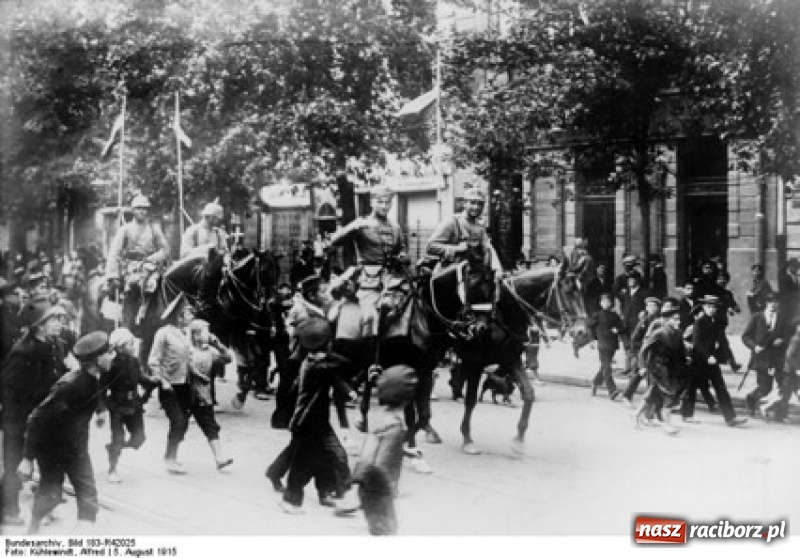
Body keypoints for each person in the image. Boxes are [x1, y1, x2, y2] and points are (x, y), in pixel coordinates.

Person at [17, 331, 109, 535]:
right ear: (96, 359)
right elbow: (36, 418)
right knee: (52, 496)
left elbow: (95, 391)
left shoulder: (94, 376)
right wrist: (27, 458)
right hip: (52, 449)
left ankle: (81, 538)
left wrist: (101, 409)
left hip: (77, 448)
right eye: (108, 353)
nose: (112, 356)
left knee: (88, 497)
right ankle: (33, 528)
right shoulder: (70, 384)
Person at [276, 317, 354, 514]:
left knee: (338, 456)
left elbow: (335, 375)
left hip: (318, 423)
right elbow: (345, 364)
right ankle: (291, 500)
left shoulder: (315, 362)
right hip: (306, 424)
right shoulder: (314, 366)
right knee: (304, 465)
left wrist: (349, 390)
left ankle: (343, 496)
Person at [0, 301, 67, 526]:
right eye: (54, 319)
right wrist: (15, 427)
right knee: (14, 468)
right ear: (39, 325)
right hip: (19, 422)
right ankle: (8, 510)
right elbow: (8, 393)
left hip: (43, 419)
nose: (60, 323)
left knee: (51, 465)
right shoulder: (22, 352)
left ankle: (43, 507)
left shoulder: (52, 346)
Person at [329, 186, 408, 338]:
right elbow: (334, 241)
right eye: (380, 202)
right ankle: (369, 349)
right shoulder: (362, 224)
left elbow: (402, 250)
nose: (384, 206)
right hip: (368, 279)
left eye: (388, 202)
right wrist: (353, 226)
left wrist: (403, 256)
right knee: (370, 316)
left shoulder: (396, 227)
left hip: (393, 278)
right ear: (372, 202)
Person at [680, 295, 747, 427]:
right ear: (704, 307)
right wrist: (707, 356)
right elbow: (698, 343)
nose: (711, 309)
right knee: (691, 387)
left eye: (714, 307)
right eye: (709, 306)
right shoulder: (699, 322)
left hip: (712, 361)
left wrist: (729, 359)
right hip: (698, 361)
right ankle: (687, 415)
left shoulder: (717, 323)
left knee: (721, 388)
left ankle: (730, 418)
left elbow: (723, 342)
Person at [99, 328, 155, 484]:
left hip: (134, 405)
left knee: (139, 438)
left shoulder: (134, 361)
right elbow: (101, 389)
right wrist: (103, 409)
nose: (133, 346)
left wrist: (152, 382)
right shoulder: (111, 365)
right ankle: (112, 469)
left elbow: (141, 378)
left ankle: (113, 449)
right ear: (120, 346)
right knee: (118, 438)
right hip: (117, 407)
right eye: (130, 344)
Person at [147, 293, 195, 474]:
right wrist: (163, 380)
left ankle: (172, 454)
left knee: (183, 422)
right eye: (188, 314)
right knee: (178, 421)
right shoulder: (164, 333)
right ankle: (169, 458)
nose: (191, 318)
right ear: (179, 316)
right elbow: (153, 360)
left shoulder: (187, 333)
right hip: (169, 386)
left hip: (185, 385)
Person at [105, 194, 169, 324]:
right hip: (130, 267)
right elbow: (114, 252)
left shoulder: (154, 229)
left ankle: (154, 315)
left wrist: (151, 259)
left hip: (150, 265)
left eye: (144, 208)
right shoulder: (125, 229)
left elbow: (165, 250)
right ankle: (128, 320)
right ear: (133, 210)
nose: (142, 211)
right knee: (133, 285)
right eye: (138, 208)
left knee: (161, 284)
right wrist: (113, 275)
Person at [186, 319, 234, 470]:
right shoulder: (187, 350)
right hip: (186, 395)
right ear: (196, 335)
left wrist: (218, 344)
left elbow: (228, 358)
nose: (210, 334)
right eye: (207, 331)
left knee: (210, 426)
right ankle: (171, 455)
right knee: (179, 426)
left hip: (203, 397)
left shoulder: (210, 351)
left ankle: (219, 459)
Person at [633, 306, 686, 435]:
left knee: (653, 394)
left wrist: (686, 360)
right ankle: (667, 425)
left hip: (671, 368)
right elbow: (644, 349)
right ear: (666, 320)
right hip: (659, 368)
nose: (678, 322)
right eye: (675, 319)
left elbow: (680, 351)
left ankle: (635, 416)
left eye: (678, 319)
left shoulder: (678, 333)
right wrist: (642, 366)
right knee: (669, 394)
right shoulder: (660, 333)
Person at [426, 187, 503, 276]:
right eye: (472, 203)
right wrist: (457, 249)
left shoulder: (480, 227)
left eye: (480, 204)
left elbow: (488, 248)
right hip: (449, 272)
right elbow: (430, 246)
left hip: (474, 273)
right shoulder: (452, 222)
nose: (476, 207)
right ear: (465, 204)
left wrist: (497, 269)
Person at [741, 294, 789, 418]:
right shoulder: (757, 317)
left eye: (776, 301)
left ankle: (779, 413)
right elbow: (745, 336)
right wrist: (754, 346)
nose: (773, 304)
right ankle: (751, 399)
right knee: (765, 388)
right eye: (770, 301)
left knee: (784, 384)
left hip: (777, 358)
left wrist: (782, 341)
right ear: (766, 303)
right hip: (762, 357)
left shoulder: (782, 318)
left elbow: (787, 336)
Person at [620, 296, 662, 407]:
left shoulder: (660, 320)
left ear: (658, 308)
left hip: (654, 353)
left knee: (651, 376)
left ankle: (651, 401)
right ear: (647, 308)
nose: (652, 308)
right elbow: (635, 337)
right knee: (639, 374)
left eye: (654, 306)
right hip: (643, 352)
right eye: (650, 306)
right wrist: (638, 352)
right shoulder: (645, 320)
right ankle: (627, 395)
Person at [760, 317, 800, 422]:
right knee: (784, 395)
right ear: (798, 327)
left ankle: (778, 414)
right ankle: (767, 408)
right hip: (790, 372)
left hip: (793, 371)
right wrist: (796, 369)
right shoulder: (796, 339)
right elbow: (789, 356)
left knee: (786, 394)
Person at [588, 293, 624, 400]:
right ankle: (612, 391)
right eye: (604, 301)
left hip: (612, 345)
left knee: (604, 367)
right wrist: (592, 339)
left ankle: (595, 382)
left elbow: (622, 327)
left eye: (608, 301)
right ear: (601, 303)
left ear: (611, 303)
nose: (606, 303)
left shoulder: (615, 315)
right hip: (603, 345)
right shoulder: (597, 315)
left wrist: (617, 330)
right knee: (607, 367)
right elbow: (590, 327)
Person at [619, 271, 649, 376]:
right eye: (629, 279)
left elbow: (647, 308)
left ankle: (634, 368)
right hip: (626, 323)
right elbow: (623, 306)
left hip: (636, 323)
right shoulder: (626, 293)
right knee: (626, 344)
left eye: (632, 279)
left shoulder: (644, 293)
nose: (630, 281)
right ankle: (627, 366)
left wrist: (644, 313)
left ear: (638, 280)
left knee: (636, 345)